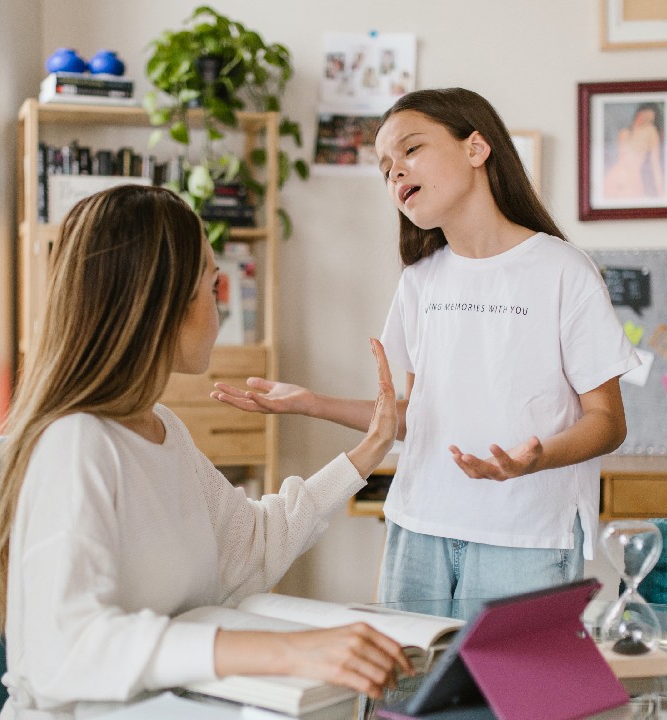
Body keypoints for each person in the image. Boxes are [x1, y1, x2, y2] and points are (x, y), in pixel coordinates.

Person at [0, 185, 412, 719]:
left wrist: (369, 451)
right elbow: (66, 647)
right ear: (162, 306)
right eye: (212, 285)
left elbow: (250, 548)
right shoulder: (76, 443)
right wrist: (285, 651)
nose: (221, 302)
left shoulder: (163, 428)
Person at [212, 88, 641, 604]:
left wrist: (536, 458)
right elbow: (416, 417)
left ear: (476, 149)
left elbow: (609, 422)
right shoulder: (421, 280)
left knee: (506, 688)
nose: (395, 172)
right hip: (418, 527)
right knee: (404, 688)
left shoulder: (563, 271)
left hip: (526, 537)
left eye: (410, 150)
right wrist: (309, 403)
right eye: (385, 166)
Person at [602, 103, 665, 200]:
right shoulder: (623, 133)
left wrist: (662, 192)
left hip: (632, 182)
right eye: (642, 115)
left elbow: (655, 165)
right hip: (614, 178)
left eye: (647, 119)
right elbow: (620, 159)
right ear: (637, 113)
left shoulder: (650, 132)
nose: (642, 119)